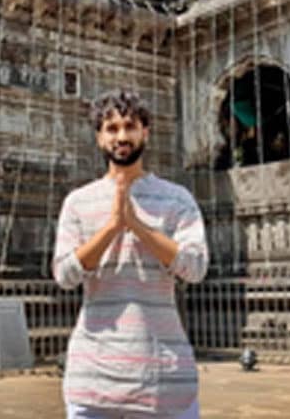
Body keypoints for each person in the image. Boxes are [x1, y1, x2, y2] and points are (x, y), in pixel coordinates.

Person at [52, 89, 208, 419]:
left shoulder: (177, 200)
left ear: (145, 132)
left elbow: (195, 268)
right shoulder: (78, 202)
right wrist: (111, 227)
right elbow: (64, 275)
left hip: (164, 382)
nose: (122, 136)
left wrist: (137, 226)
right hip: (92, 382)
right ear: (98, 138)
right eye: (111, 128)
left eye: (130, 126)